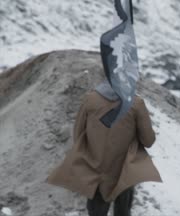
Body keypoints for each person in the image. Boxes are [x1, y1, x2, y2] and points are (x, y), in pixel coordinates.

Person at [47, 80, 162, 216]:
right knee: (123, 211)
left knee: (96, 211)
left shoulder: (91, 99)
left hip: (96, 169)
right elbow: (148, 141)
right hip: (124, 171)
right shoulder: (136, 103)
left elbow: (78, 135)